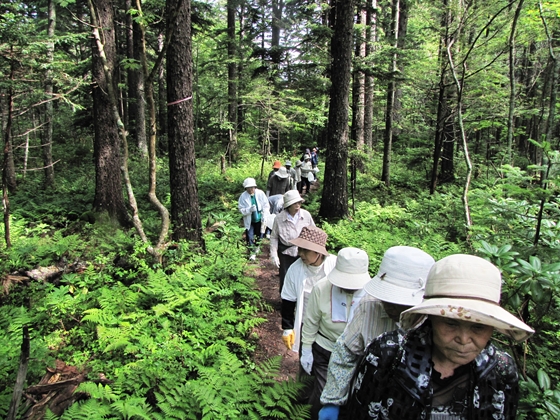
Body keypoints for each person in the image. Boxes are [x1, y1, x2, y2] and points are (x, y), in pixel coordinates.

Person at [343, 254, 534, 420]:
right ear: (432, 317)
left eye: (478, 327)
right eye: (451, 323)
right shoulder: (387, 352)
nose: (464, 339)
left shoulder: (501, 369)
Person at [318, 246, 435, 419]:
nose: (391, 307)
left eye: (400, 302)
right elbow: (345, 353)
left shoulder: (434, 323)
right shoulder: (369, 306)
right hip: (366, 402)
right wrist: (332, 400)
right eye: (387, 298)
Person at [301, 247, 372, 420]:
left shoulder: (371, 295)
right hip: (325, 350)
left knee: (351, 399)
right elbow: (311, 321)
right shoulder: (321, 288)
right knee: (321, 396)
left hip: (356, 354)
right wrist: (306, 349)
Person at [281, 226, 337, 356]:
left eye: (305, 250)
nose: (301, 253)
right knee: (306, 359)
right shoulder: (295, 269)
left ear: (318, 252)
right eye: (300, 249)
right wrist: (287, 327)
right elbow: (288, 299)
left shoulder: (335, 265)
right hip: (305, 324)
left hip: (330, 326)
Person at [270, 190, 315, 292]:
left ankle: (300, 300)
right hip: (286, 253)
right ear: (288, 205)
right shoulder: (279, 218)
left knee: (303, 276)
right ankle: (286, 302)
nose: (298, 205)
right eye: (295, 203)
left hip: (303, 253)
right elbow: (274, 237)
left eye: (299, 202)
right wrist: (274, 255)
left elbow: (313, 232)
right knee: (286, 277)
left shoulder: (306, 215)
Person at [237, 178, 270, 260]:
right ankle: (252, 253)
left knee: (260, 234)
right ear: (246, 188)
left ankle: (257, 247)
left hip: (260, 219)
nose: (251, 189)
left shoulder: (260, 193)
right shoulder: (243, 196)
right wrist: (249, 210)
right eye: (249, 188)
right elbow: (241, 209)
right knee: (250, 235)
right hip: (250, 220)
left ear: (255, 187)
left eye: (252, 187)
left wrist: (265, 215)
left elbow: (266, 205)